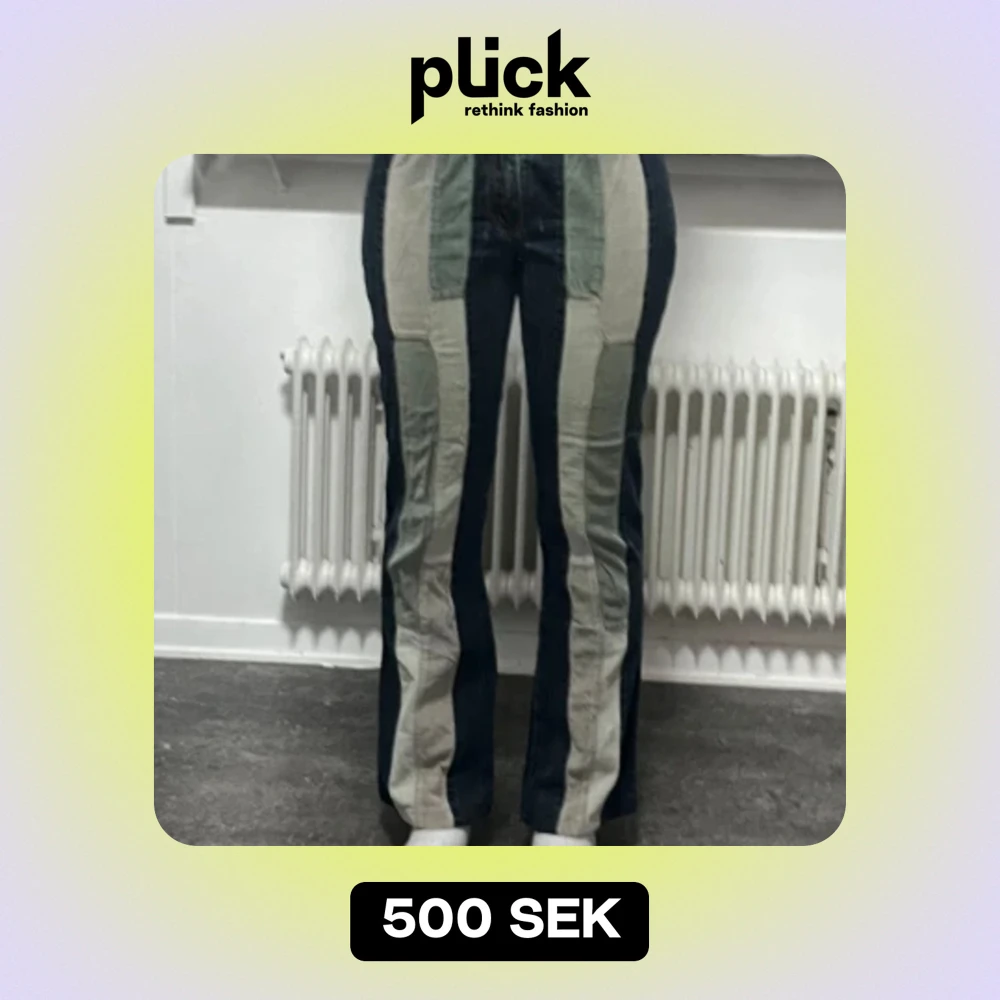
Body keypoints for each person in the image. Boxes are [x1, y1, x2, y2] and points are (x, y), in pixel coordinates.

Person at [362, 154, 676, 845]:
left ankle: (573, 800)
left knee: (592, 514)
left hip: (601, 159)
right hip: (432, 157)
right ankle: (436, 793)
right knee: (428, 509)